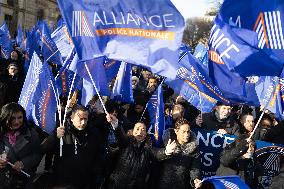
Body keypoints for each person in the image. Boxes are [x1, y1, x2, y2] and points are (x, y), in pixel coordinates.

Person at [40, 104, 104, 189]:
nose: (83, 122)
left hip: (84, 182)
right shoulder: (62, 131)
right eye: (80, 119)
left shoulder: (94, 133)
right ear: (72, 118)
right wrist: (54, 136)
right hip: (62, 182)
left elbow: (99, 154)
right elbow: (43, 149)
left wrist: (95, 171)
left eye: (85, 119)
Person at [105, 114, 176, 189]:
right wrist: (116, 124)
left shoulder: (148, 148)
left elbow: (157, 153)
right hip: (117, 184)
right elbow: (120, 136)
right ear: (133, 131)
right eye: (137, 129)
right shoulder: (126, 142)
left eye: (143, 130)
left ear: (145, 134)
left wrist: (166, 152)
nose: (140, 132)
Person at [0, 103, 42, 189]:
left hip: (24, 178)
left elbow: (37, 154)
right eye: (12, 118)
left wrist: (23, 163)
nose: (17, 121)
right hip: (3, 179)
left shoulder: (31, 133)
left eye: (20, 117)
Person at [157, 118, 202, 189]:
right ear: (176, 131)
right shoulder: (166, 142)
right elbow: (156, 155)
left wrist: (195, 179)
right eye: (183, 132)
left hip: (182, 185)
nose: (187, 134)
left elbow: (195, 168)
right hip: (163, 184)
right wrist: (166, 152)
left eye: (188, 132)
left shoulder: (194, 148)